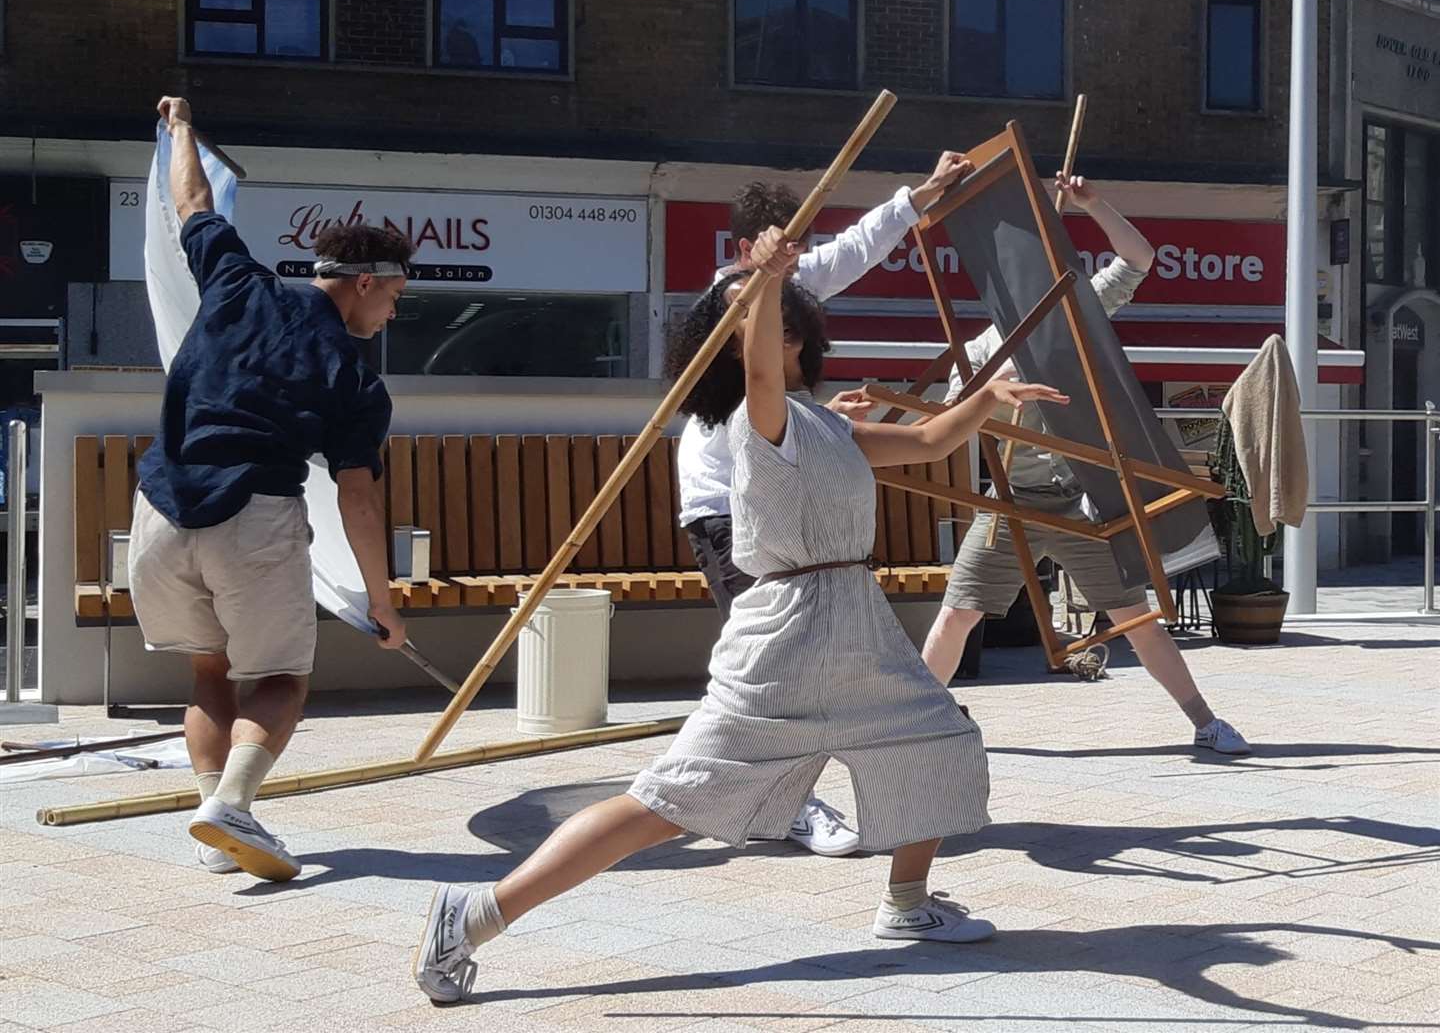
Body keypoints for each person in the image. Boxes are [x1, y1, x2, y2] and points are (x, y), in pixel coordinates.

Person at [412, 227, 1070, 1005]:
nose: (772, 319)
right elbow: (760, 365)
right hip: (787, 634)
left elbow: (929, 439)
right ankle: (475, 913)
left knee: (937, 741)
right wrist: (760, 280)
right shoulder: (751, 417)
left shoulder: (822, 421)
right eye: (750, 313)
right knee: (668, 802)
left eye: (783, 309)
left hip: (854, 624)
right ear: (725, 343)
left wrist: (987, 399)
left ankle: (907, 906)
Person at [129, 96, 410, 882]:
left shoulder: (235, 284)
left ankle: (212, 822)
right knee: (281, 678)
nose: (391, 315)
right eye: (393, 298)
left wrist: (180, 128)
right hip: (252, 518)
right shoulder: (355, 379)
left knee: (209, 673)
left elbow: (191, 201)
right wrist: (380, 602)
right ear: (361, 282)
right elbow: (358, 498)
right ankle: (233, 806)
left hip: (160, 510)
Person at [677, 153, 973, 855]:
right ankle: (767, 795)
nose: (799, 257)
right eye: (782, 242)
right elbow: (761, 336)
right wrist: (772, 277)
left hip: (770, 496)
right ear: (750, 247)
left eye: (798, 243)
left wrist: (921, 194)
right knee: (773, 671)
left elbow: (850, 250)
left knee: (786, 670)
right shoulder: (735, 298)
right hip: (733, 509)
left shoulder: (775, 294)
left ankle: (775, 794)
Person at [921, 173, 1250, 755]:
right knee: (958, 615)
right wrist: (999, 385)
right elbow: (950, 418)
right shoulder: (977, 350)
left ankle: (1205, 721)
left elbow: (1138, 257)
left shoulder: (1076, 312)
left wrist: (1092, 203)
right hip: (1011, 507)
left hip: (1078, 500)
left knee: (1135, 617)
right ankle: (912, 722)